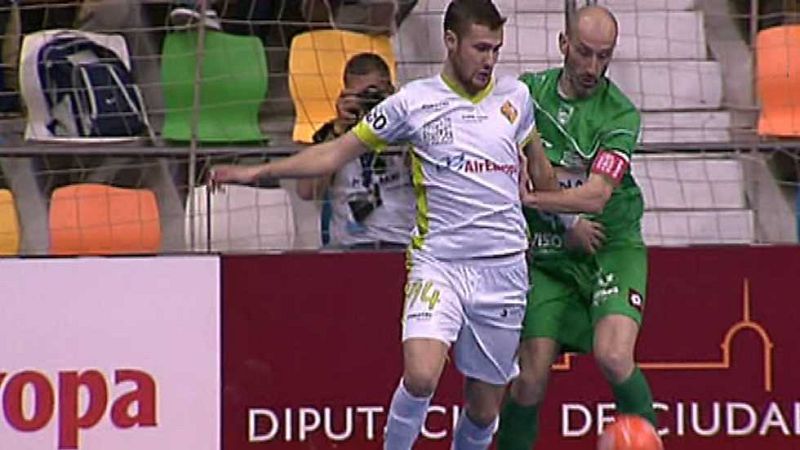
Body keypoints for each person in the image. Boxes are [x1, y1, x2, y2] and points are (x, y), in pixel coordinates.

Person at [209, 1, 557, 448]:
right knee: (420, 374)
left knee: (484, 407)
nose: (489, 61)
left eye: (496, 50)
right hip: (441, 264)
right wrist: (255, 173)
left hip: (503, 269)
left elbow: (541, 169)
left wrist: (553, 198)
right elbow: (334, 153)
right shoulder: (413, 102)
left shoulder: (516, 98)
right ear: (451, 42)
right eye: (480, 48)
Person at [497, 5, 657, 450]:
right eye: (584, 53)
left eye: (603, 57)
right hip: (550, 257)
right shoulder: (527, 94)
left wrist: (536, 200)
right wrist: (560, 220)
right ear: (563, 45)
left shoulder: (619, 115)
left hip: (611, 245)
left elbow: (597, 195)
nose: (592, 67)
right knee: (529, 378)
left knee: (613, 354)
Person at [296, 52, 414, 250]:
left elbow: (432, 180)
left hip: (402, 244)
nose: (369, 102)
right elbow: (307, 191)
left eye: (375, 95)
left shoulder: (410, 130)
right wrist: (339, 131)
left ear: (391, 92)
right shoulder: (331, 135)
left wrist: (395, 124)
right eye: (361, 96)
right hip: (348, 246)